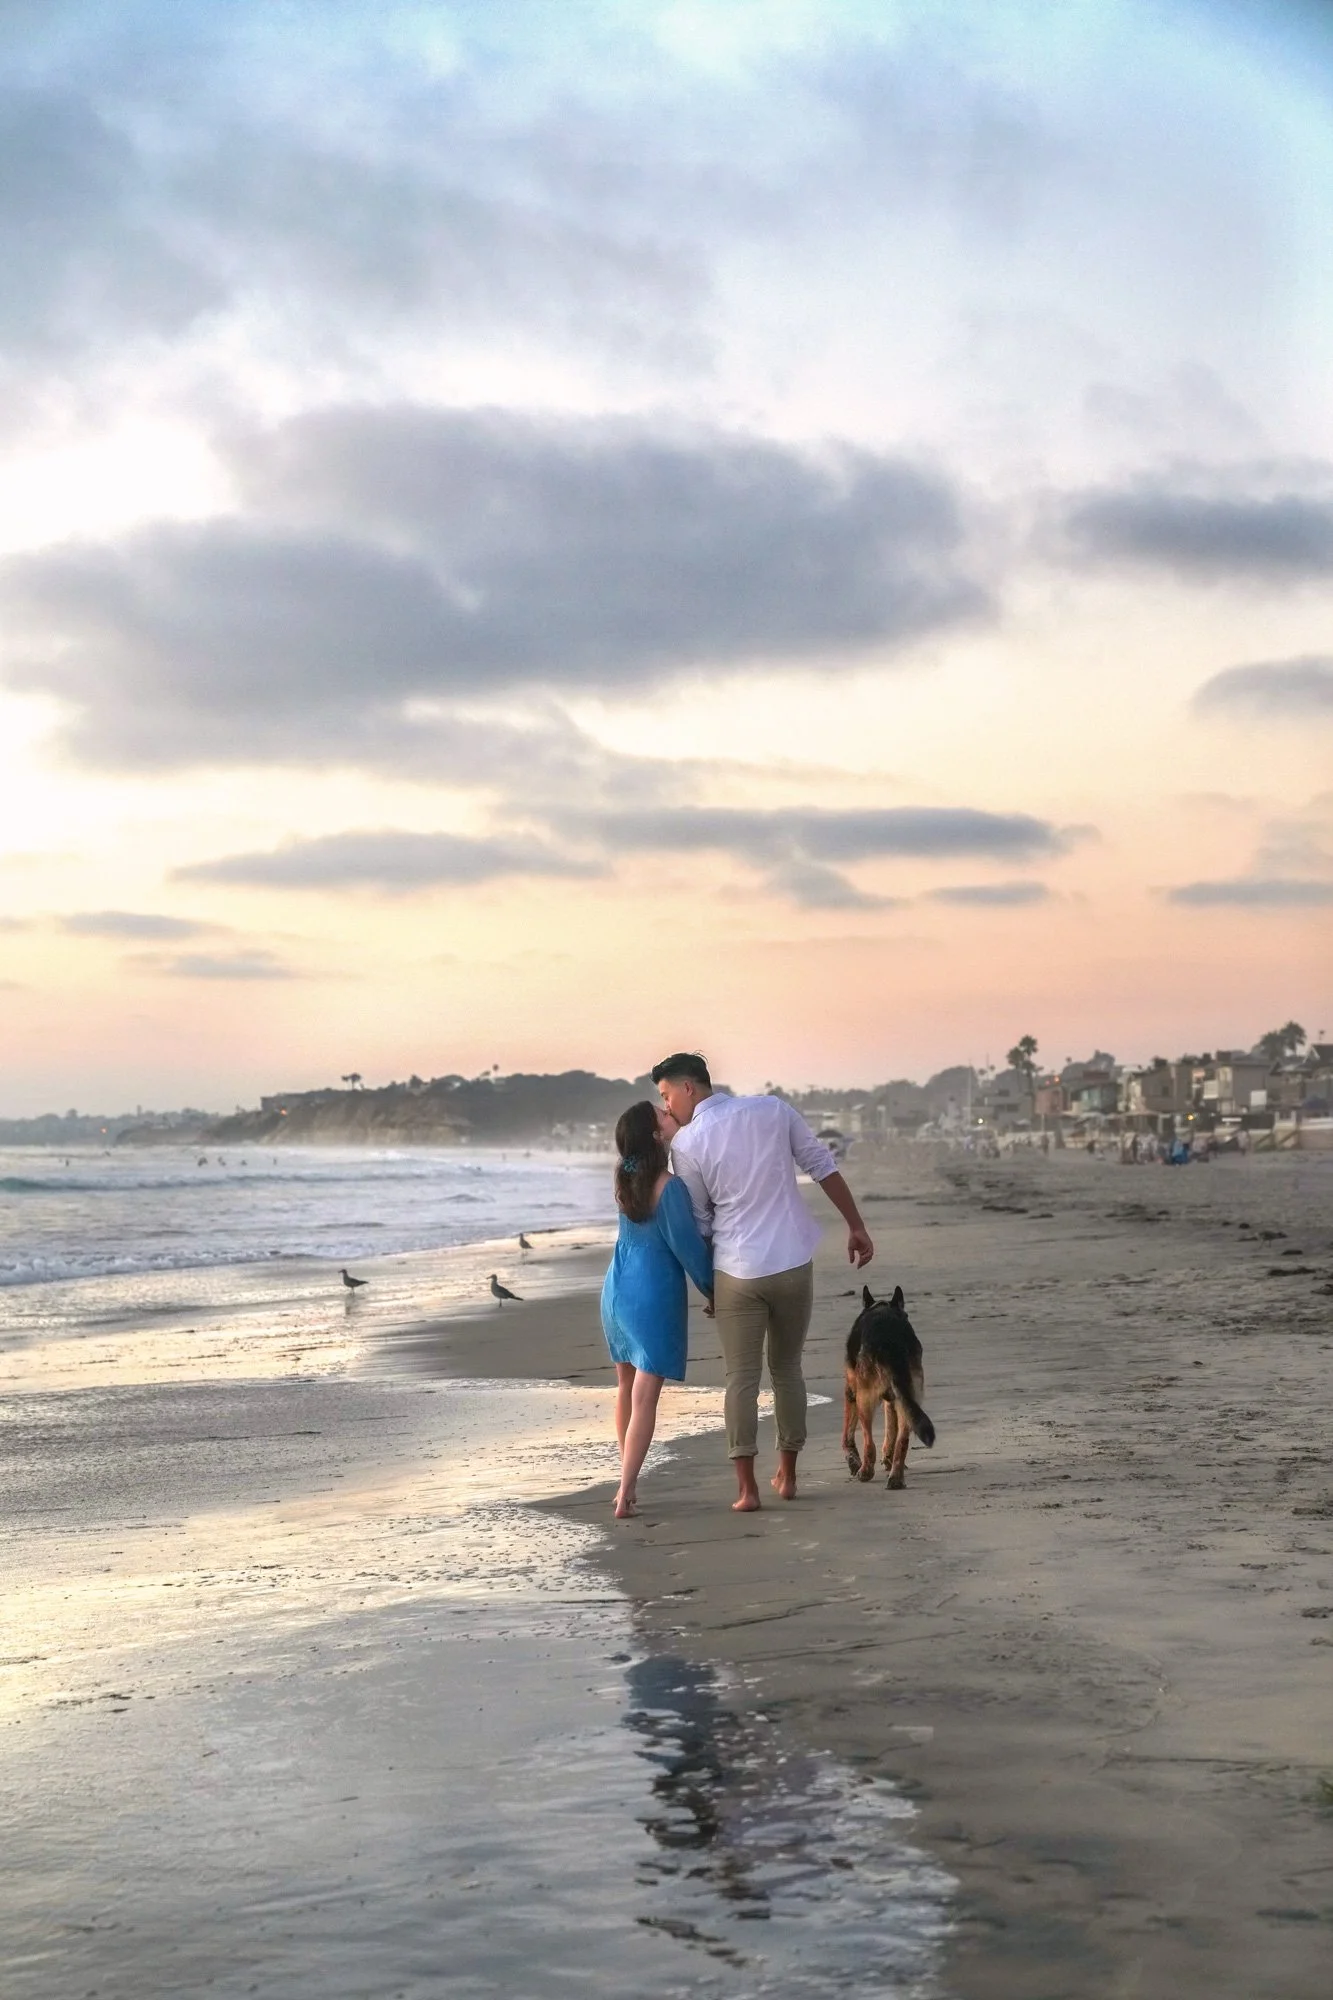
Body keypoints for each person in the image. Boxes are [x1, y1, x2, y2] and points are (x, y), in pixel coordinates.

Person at [653, 1051, 874, 1513]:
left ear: (688, 1087)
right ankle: (788, 1477)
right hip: (792, 1260)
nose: (668, 1105)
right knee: (787, 1369)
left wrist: (711, 1285)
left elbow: (701, 1220)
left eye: (667, 1094)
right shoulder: (773, 1110)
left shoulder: (688, 1144)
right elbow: (822, 1165)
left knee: (741, 1380)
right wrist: (855, 1225)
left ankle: (748, 1490)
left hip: (736, 1269)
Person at [600, 1099, 713, 1519]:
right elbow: (688, 1249)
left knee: (626, 1389)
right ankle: (625, 1491)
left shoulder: (624, 1177)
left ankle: (626, 1478)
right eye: (661, 1116)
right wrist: (713, 1289)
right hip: (652, 1291)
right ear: (654, 1134)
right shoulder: (669, 1186)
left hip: (617, 1288)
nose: (669, 1116)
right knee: (645, 1398)